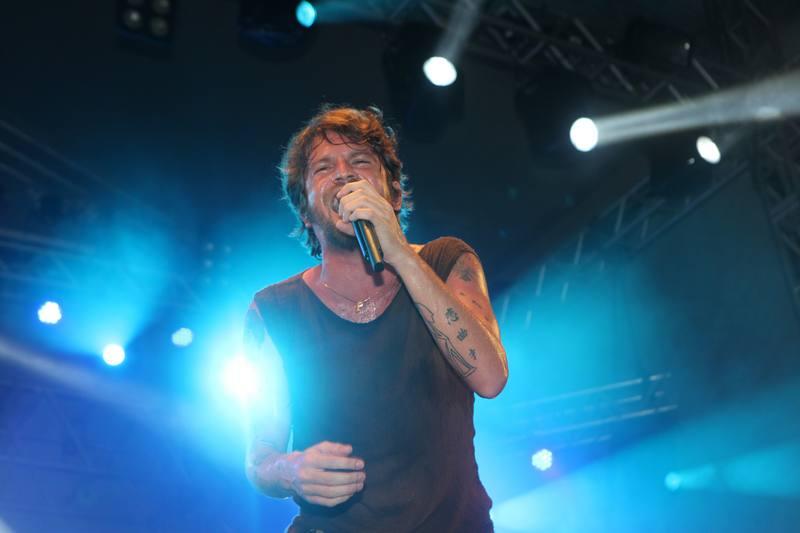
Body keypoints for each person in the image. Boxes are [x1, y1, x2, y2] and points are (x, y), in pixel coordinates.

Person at [244, 105, 508, 532]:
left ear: (393, 195)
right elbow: (260, 455)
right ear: (306, 212)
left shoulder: (446, 262)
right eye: (324, 168)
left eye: (361, 162)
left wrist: (398, 252)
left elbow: (491, 377)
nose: (344, 175)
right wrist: (291, 471)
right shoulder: (275, 310)